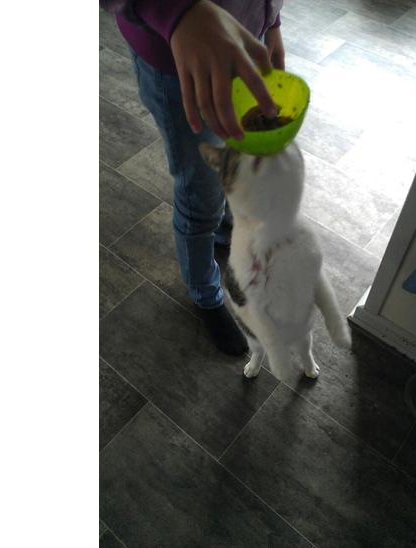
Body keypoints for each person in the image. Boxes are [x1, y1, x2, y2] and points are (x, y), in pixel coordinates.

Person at [101, 1, 286, 356]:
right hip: (177, 57)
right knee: (199, 193)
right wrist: (175, 11)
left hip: (247, 34)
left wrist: (272, 19)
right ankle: (203, 291)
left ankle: (225, 229)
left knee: (237, 151)